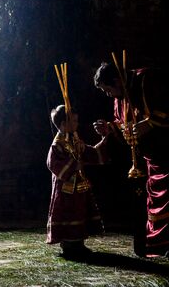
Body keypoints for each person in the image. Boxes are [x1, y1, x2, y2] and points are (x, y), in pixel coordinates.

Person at [93, 62, 169, 259]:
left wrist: (152, 123)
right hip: (150, 157)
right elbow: (125, 123)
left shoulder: (147, 80)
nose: (108, 94)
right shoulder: (121, 95)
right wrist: (110, 128)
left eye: (108, 89)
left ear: (117, 81)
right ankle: (161, 241)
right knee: (154, 200)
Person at [46, 104, 107, 260]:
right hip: (65, 187)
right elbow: (53, 164)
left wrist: (105, 140)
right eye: (73, 121)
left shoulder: (75, 140)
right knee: (68, 212)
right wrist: (74, 165)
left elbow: (89, 152)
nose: (76, 124)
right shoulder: (57, 144)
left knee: (80, 210)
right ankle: (68, 244)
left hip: (79, 185)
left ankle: (78, 242)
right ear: (63, 124)